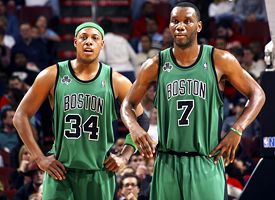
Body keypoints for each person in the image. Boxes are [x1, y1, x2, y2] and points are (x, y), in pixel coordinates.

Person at [121, 2, 265, 200]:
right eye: (175, 21)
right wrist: (134, 128)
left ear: (198, 26)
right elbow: (127, 105)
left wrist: (237, 128)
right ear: (170, 26)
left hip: (205, 161)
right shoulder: (155, 64)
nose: (180, 26)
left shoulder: (220, 59)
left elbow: (258, 94)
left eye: (187, 21)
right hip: (167, 163)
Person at [13, 22, 148, 200]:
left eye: (94, 38)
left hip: (99, 174)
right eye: (83, 37)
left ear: (102, 45)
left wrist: (125, 156)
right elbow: (20, 116)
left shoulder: (116, 80)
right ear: (75, 42)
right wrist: (39, 158)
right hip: (61, 173)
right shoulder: (52, 75)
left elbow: (142, 119)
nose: (89, 42)